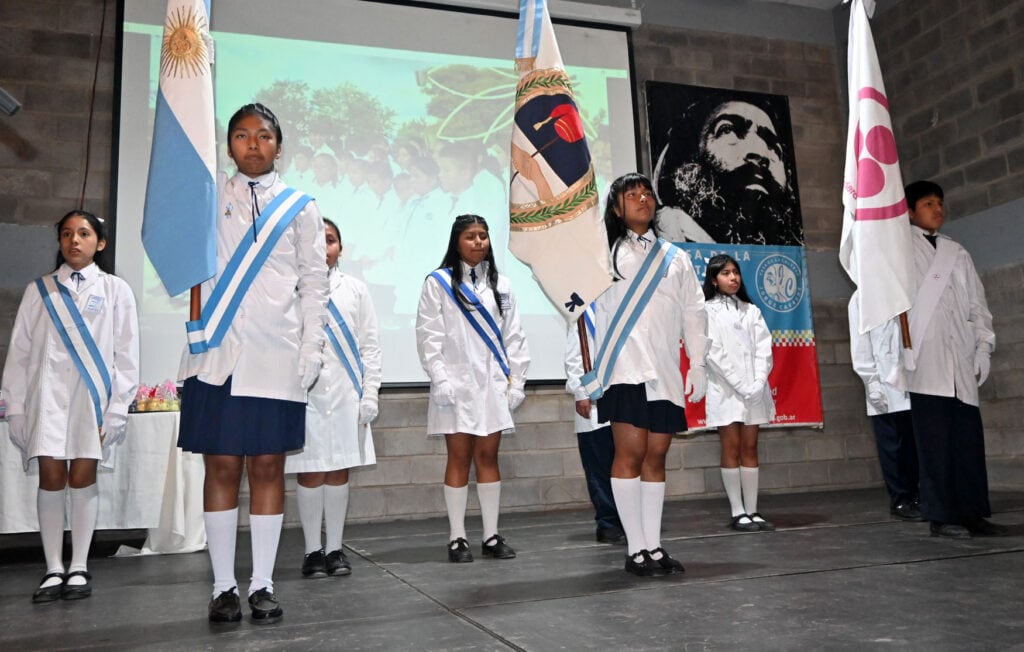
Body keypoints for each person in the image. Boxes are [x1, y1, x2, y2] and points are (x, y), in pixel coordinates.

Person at [177, 103, 329, 624]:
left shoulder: (301, 207)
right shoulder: (208, 196)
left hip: (277, 355)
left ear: (278, 145)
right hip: (217, 354)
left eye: (263, 136)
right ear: (228, 146)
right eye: (241, 135)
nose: (252, 144)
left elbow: (314, 283)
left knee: (268, 466)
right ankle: (222, 586)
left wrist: (312, 348)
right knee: (220, 466)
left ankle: (262, 583)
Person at [2, 209, 140, 603]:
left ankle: (78, 564)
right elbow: (21, 351)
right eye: (66, 234)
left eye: (83, 234)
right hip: (46, 398)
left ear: (100, 243)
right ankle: (52, 568)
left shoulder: (116, 290)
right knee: (50, 476)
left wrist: (117, 408)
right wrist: (15, 406)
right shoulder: (40, 289)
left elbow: (126, 354)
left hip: (91, 398)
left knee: (82, 476)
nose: (73, 241)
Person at [584, 172, 708, 576]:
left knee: (657, 456)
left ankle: (654, 546)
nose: (642, 199)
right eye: (631, 194)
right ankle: (634, 549)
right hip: (624, 369)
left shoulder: (677, 258)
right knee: (630, 454)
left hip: (665, 371)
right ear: (616, 207)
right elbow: (582, 315)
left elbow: (694, 312)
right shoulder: (603, 253)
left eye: (646, 193)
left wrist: (700, 361)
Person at [415, 214, 530, 563]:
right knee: (459, 458)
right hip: (455, 384)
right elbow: (428, 335)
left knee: (488, 457)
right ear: (456, 241)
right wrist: (440, 377)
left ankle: (492, 535)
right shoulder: (438, 283)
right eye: (471, 236)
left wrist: (517, 381)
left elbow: (514, 336)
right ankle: (457, 537)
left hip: (492, 383)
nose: (479, 242)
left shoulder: (503, 285)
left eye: (483, 236)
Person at [903, 180, 1005, 539]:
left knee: (967, 443)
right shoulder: (899, 251)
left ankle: (972, 512)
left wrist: (983, 347)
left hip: (960, 362)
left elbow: (978, 306)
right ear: (911, 211)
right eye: (928, 203)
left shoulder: (957, 252)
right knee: (934, 446)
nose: (937, 209)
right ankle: (941, 516)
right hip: (926, 364)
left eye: (940, 203)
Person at [286, 218, 381, 578]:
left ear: (340, 248)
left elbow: (370, 345)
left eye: (330, 240)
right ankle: (313, 551)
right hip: (303, 393)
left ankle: (336, 549)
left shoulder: (355, 289)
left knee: (339, 469)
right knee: (310, 470)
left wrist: (370, 391)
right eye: (317, 240)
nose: (324, 247)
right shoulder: (289, 288)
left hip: (345, 392)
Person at [653, 96, 803, 246]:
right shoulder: (670, 236)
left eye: (774, 147)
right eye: (728, 130)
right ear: (690, 162)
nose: (760, 152)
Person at [702, 254, 776, 532]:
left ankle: (753, 510)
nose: (733, 278)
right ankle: (737, 510)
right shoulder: (707, 310)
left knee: (750, 447)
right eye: (725, 273)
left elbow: (764, 348)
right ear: (713, 279)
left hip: (754, 390)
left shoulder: (751, 310)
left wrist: (757, 383)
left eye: (735, 272)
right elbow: (713, 353)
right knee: (730, 447)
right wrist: (740, 384)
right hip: (727, 390)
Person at [848, 292, 922, 521]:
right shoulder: (862, 298)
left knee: (915, 442)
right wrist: (871, 381)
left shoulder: (905, 291)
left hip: (914, 379)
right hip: (884, 384)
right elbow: (860, 342)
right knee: (893, 445)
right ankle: (901, 500)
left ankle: (920, 495)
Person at [564, 313, 624, 544]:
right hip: (595, 401)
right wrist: (581, 393)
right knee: (600, 465)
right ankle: (608, 522)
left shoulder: (625, 306)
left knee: (629, 462)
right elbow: (574, 356)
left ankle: (631, 519)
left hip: (625, 397)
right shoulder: (583, 312)